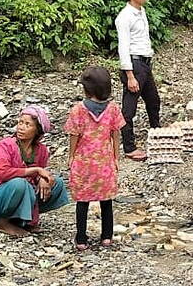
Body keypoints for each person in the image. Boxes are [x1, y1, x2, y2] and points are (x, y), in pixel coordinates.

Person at [0, 106, 69, 238]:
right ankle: (2, 222)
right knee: (20, 184)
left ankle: (21, 220)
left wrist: (42, 179)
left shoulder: (41, 150)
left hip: (19, 193)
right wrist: (37, 170)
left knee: (57, 183)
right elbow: (4, 173)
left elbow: (37, 176)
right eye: (20, 122)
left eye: (28, 124)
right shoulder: (5, 145)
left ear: (37, 130)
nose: (21, 127)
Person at [65, 66, 126, 250]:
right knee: (106, 201)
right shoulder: (113, 109)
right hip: (105, 162)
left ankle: (81, 239)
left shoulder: (78, 110)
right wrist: (116, 156)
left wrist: (71, 157)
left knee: (82, 202)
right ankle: (106, 236)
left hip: (84, 163)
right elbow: (116, 133)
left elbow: (74, 135)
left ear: (87, 89)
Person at [115, 0, 161, 161]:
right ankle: (129, 146)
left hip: (145, 63)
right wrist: (129, 75)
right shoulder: (124, 17)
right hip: (134, 65)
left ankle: (156, 132)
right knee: (129, 108)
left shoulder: (141, 12)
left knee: (153, 100)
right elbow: (123, 46)